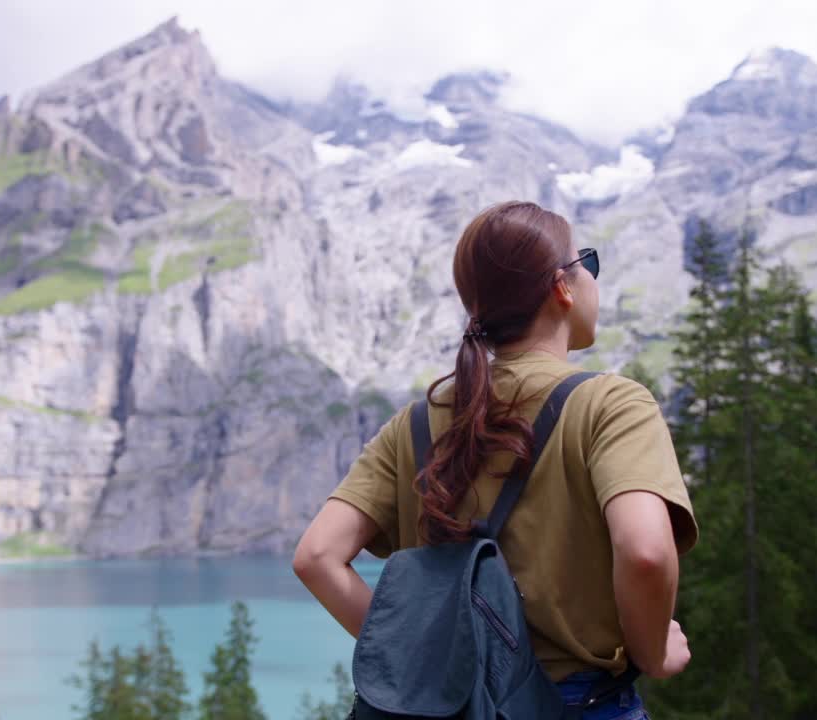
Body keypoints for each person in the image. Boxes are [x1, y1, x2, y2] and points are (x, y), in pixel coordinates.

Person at [293, 200, 699, 719]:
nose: (595, 280)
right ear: (563, 286)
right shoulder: (611, 404)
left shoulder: (413, 424)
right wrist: (656, 652)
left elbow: (316, 557)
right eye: (588, 264)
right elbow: (645, 551)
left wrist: (422, 657)